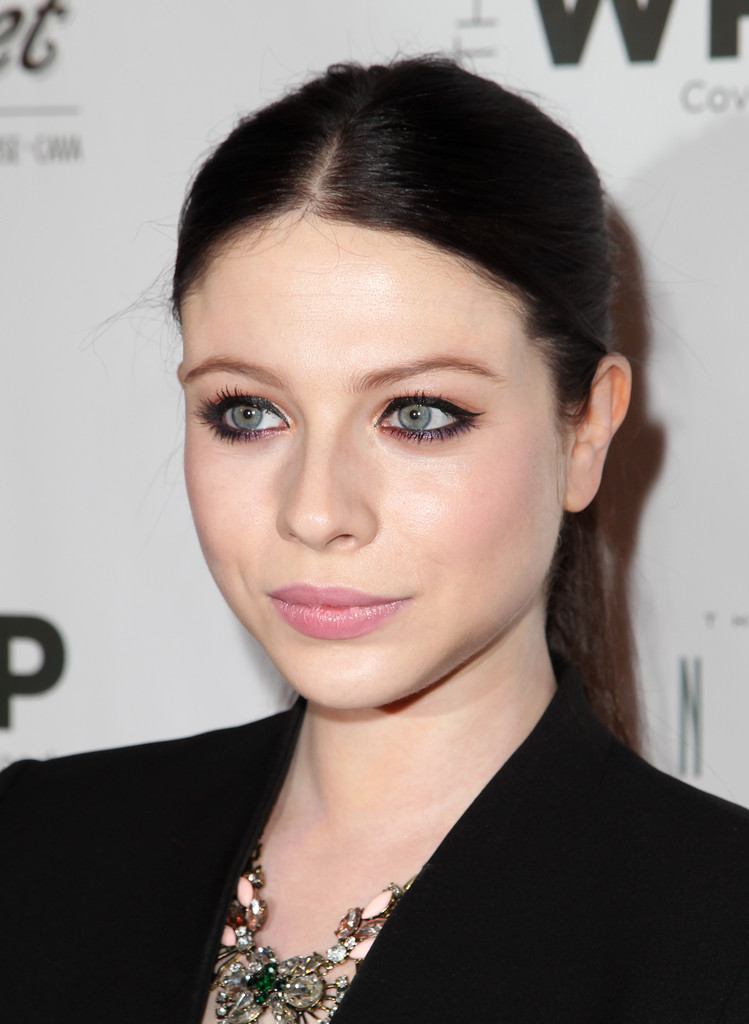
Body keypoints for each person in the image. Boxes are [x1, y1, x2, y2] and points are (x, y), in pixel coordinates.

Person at [1, 56, 748, 1023]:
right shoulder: (37, 847)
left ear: (586, 432)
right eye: (247, 412)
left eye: (419, 414)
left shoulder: (715, 934)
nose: (315, 512)